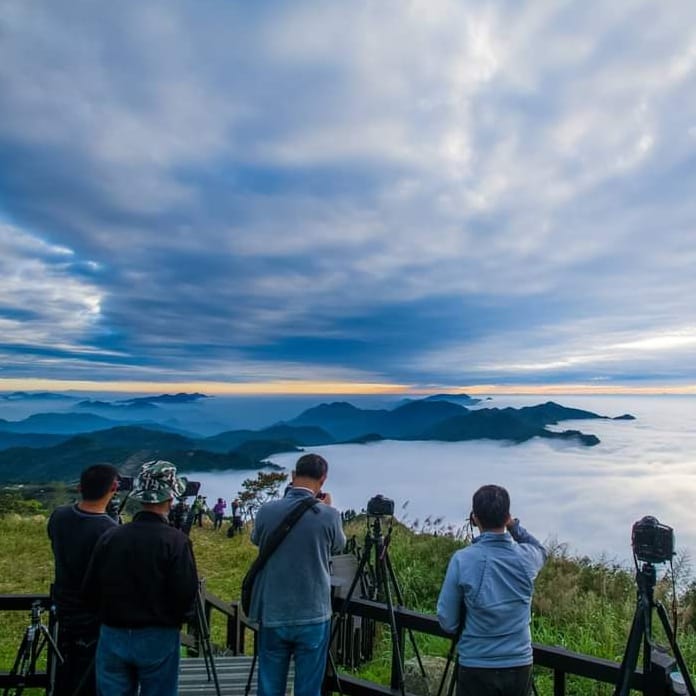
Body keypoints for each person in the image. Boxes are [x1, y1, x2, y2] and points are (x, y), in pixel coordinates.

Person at [82, 460, 199, 696]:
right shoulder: (175, 541)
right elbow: (186, 594)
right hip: (158, 634)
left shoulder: (110, 537)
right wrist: (175, 619)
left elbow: (89, 589)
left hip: (113, 632)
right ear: (170, 498)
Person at [249, 453, 346, 696]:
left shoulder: (266, 511)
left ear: (292, 476)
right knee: (308, 688)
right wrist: (328, 508)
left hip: (273, 611)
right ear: (323, 480)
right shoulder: (329, 516)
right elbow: (338, 547)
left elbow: (255, 539)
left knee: (270, 686)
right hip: (313, 612)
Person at [437, 484, 547, 696]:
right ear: (507, 516)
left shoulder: (462, 560)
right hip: (519, 665)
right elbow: (541, 550)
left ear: (474, 518)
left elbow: (447, 621)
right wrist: (514, 527)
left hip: (476, 665)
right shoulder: (527, 559)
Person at [48, 463, 119, 696]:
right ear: (114, 488)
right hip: (93, 619)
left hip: (62, 610)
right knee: (90, 682)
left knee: (64, 674)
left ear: (79, 487)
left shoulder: (59, 517)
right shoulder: (109, 531)